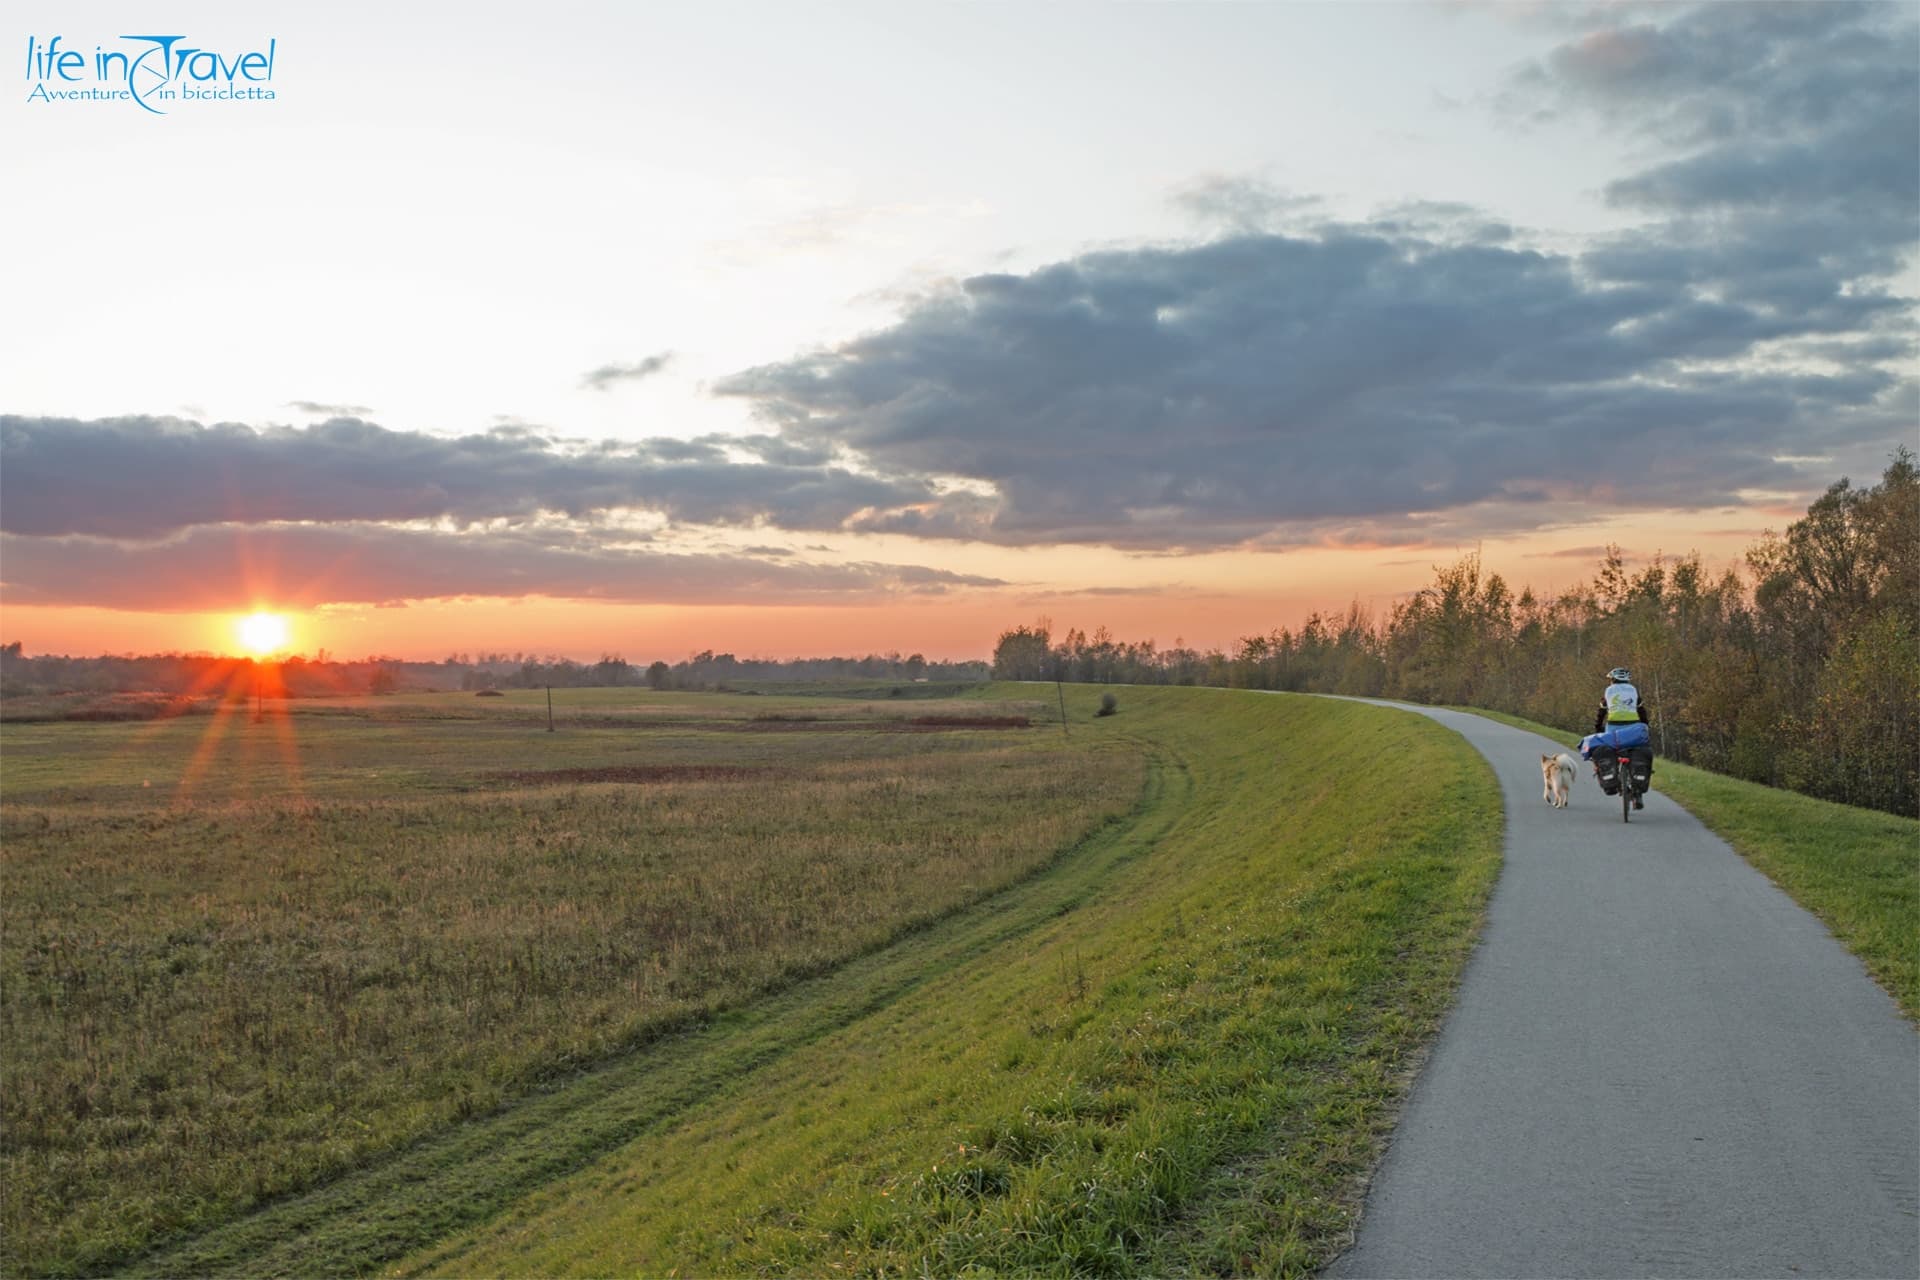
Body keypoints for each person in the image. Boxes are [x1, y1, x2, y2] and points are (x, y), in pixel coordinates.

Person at [1579, 667, 1652, 808]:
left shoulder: (1609, 692)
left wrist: (1598, 729)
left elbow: (1601, 713)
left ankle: (1614, 781)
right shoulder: (1633, 691)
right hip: (1633, 729)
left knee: (1610, 751)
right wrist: (1645, 726)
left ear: (1612, 679)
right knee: (1638, 752)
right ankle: (1637, 794)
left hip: (1613, 729)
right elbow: (1642, 712)